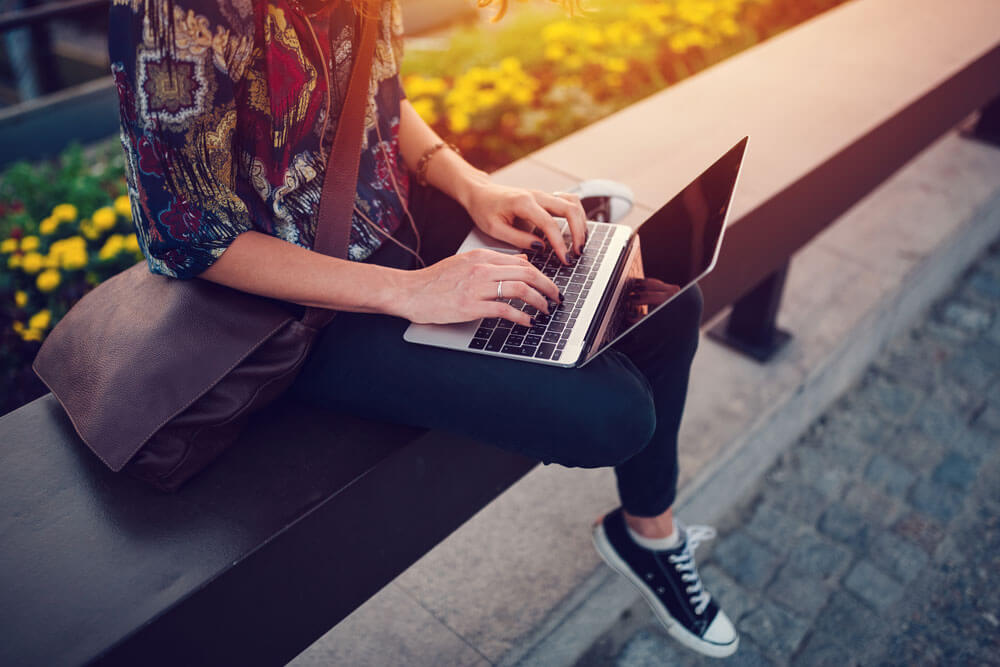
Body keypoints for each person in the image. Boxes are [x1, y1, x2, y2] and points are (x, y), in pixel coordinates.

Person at [108, 0, 738, 657]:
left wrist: (474, 187)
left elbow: (378, 93)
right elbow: (184, 238)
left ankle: (650, 536)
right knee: (617, 417)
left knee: (664, 303)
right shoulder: (180, 12)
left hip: (395, 214)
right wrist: (411, 291)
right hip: (301, 305)